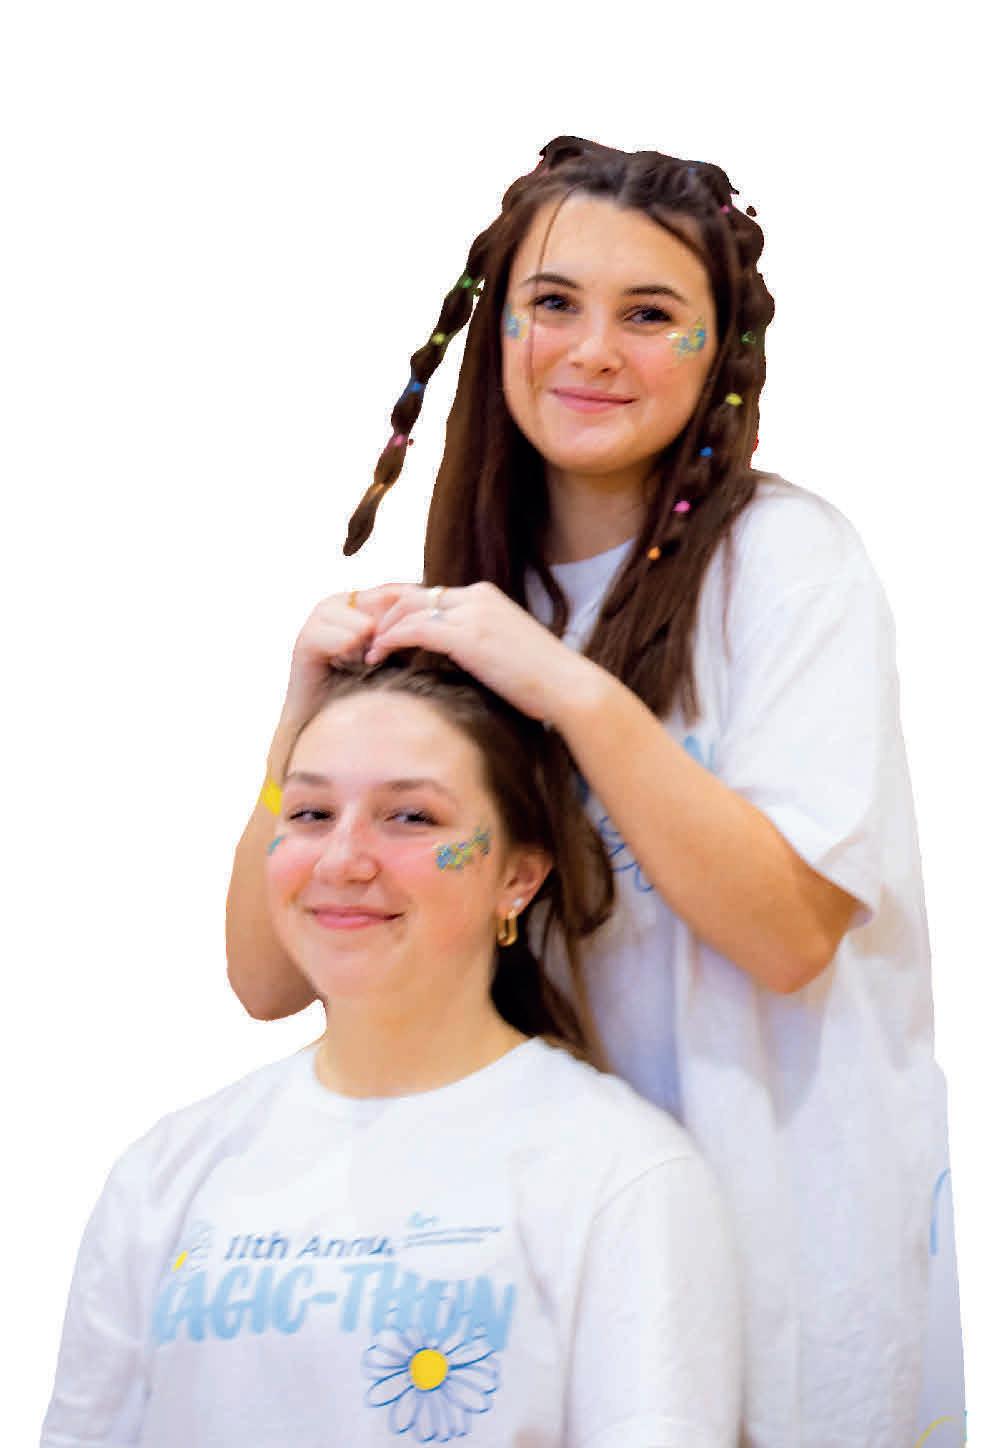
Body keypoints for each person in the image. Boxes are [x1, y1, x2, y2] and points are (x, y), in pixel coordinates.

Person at [225, 138, 965, 1444]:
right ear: (497, 325)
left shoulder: (788, 567)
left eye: (649, 314)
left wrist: (568, 691)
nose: (592, 351)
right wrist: (300, 717)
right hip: (538, 1258)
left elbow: (789, 935)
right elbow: (270, 979)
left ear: (717, 350)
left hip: (781, 1255)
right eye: (555, 302)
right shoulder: (470, 601)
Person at [43, 660, 742, 1448]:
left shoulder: (621, 1175)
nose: (341, 859)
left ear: (518, 877)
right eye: (310, 812)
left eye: (410, 817)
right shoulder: (167, 1170)